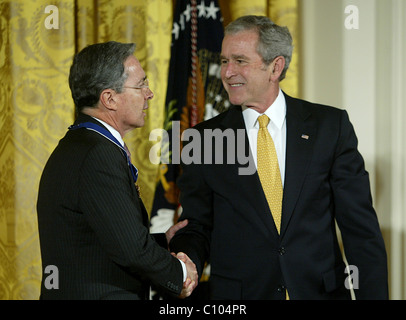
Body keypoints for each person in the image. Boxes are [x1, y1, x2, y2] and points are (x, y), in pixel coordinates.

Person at [170, 15, 388, 299]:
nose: (227, 72)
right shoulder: (202, 139)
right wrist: (187, 262)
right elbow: (198, 225)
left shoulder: (329, 127)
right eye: (224, 61)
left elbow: (360, 230)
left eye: (240, 61)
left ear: (276, 67)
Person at [37, 41, 197, 300]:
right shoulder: (97, 154)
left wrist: (161, 241)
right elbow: (131, 250)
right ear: (109, 98)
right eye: (141, 84)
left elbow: (98, 241)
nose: (150, 93)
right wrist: (180, 273)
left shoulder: (83, 146)